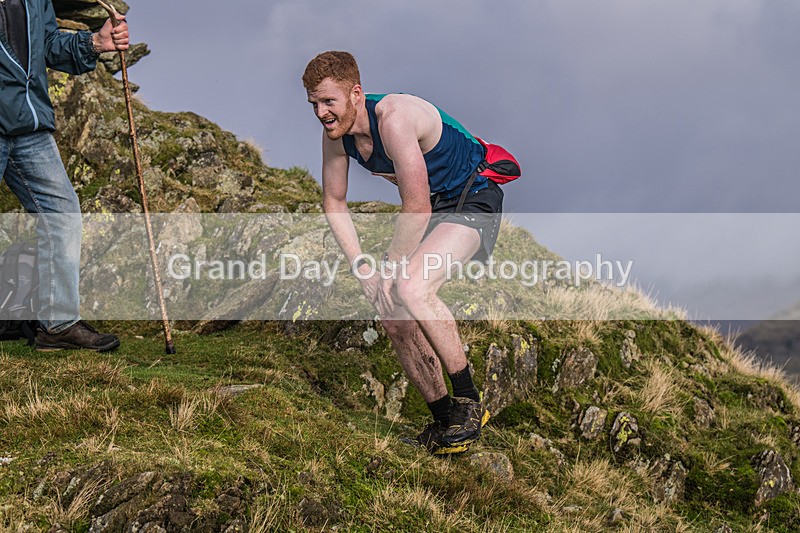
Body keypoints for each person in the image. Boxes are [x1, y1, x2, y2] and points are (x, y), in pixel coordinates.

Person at [303, 51, 503, 454]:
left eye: (329, 102)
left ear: (355, 93)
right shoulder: (337, 136)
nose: (321, 113)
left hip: (472, 199)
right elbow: (334, 201)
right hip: (432, 207)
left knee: (411, 287)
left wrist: (391, 269)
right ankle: (444, 421)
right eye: (313, 104)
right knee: (393, 315)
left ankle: (469, 402)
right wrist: (362, 267)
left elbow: (417, 207)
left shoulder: (393, 119)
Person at [1, 0, 128, 351]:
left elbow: (46, 43)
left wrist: (95, 43)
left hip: (29, 127)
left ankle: (57, 324)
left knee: (62, 214)